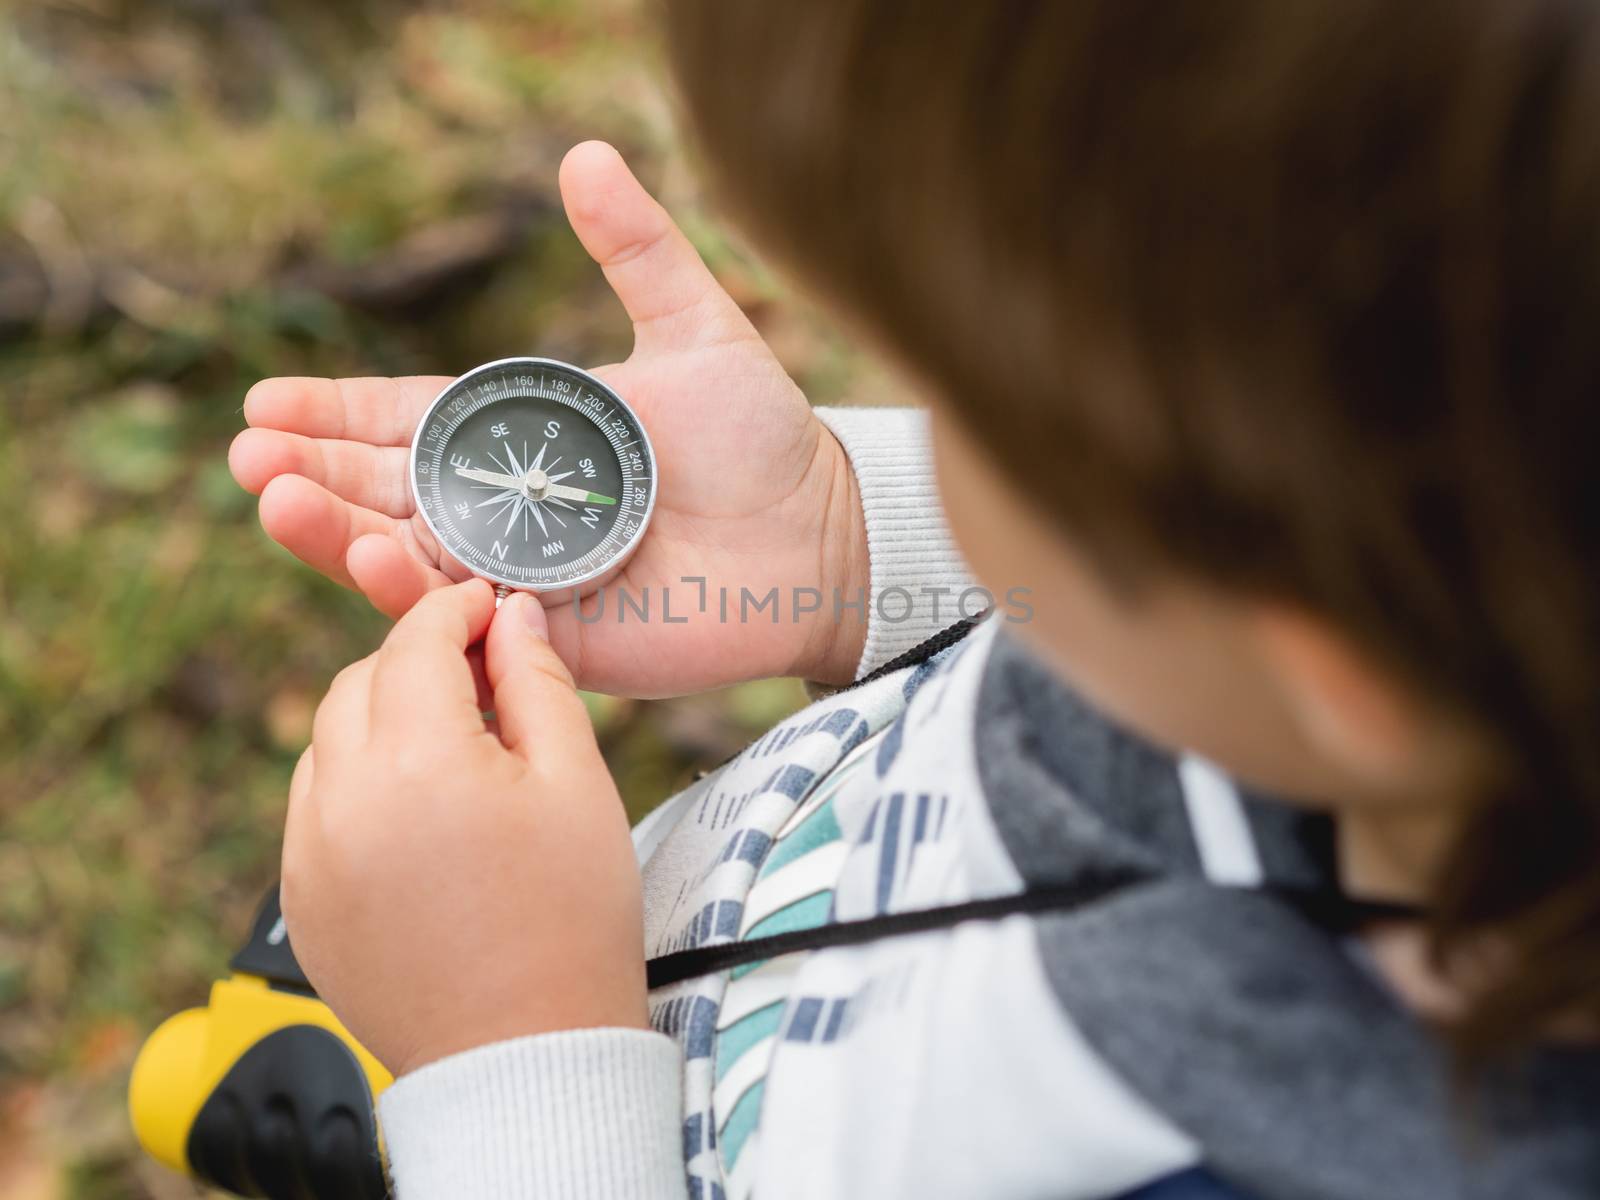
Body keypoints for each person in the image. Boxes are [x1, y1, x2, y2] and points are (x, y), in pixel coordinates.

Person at [226, 4, 1600, 1197]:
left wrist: (515, 1084)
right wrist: (852, 542)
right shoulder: (1412, 656)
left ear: (1323, 647)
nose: (925, 433)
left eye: (969, 411)